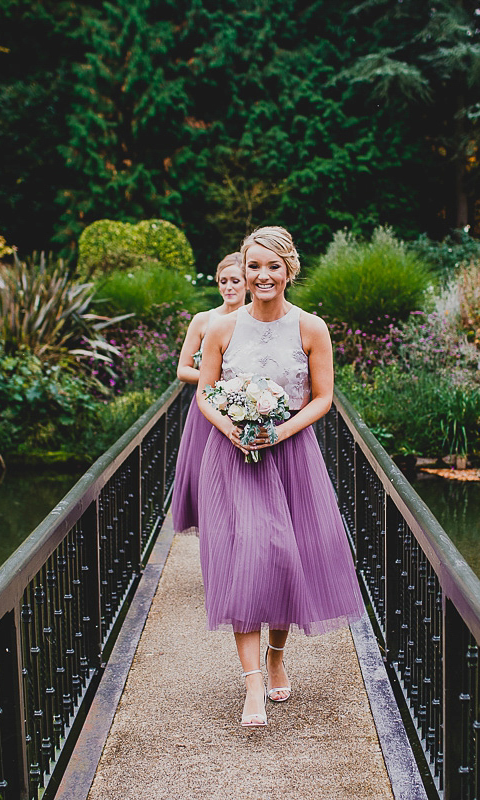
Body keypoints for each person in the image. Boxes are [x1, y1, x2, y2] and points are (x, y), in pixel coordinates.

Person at [195, 226, 364, 728]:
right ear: (242, 273)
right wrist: (232, 428)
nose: (262, 275)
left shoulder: (311, 328)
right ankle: (251, 685)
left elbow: (322, 398)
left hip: (290, 456)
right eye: (253, 266)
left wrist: (280, 431)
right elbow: (204, 393)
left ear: (289, 270)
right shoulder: (221, 329)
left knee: (284, 559)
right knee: (246, 559)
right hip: (232, 458)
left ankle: (275, 656)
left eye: (272, 266)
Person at [170, 251, 246, 536]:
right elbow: (182, 370)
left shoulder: (253, 321)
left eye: (235, 280)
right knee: (207, 477)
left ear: (247, 284)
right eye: (222, 281)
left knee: (240, 479)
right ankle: (213, 541)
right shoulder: (203, 320)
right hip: (208, 408)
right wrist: (215, 380)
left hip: (244, 410)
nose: (228, 287)